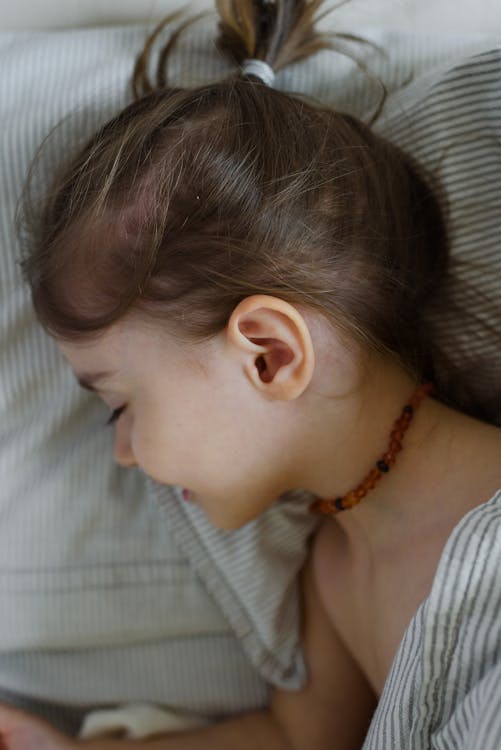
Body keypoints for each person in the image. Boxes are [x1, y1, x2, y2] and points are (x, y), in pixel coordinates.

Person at [2, 1, 500, 748]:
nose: (124, 450)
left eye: (119, 405)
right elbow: (297, 738)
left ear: (270, 353)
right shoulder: (328, 572)